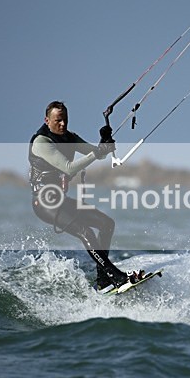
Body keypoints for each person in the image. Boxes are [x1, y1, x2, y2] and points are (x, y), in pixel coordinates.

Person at [29, 100, 143, 292]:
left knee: (107, 224)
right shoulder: (41, 142)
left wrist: (104, 142)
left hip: (61, 201)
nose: (63, 124)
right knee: (85, 231)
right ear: (47, 120)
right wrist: (98, 152)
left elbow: (97, 154)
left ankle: (102, 279)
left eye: (65, 120)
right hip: (44, 202)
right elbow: (69, 167)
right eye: (58, 120)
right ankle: (115, 276)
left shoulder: (69, 137)